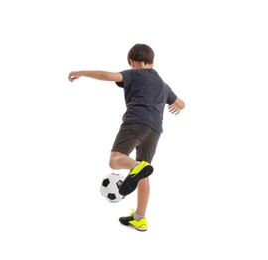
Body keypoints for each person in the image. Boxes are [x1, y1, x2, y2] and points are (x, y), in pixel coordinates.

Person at [68, 43, 185, 231]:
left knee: (115, 161)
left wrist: (80, 72)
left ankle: (137, 167)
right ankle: (139, 218)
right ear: (152, 63)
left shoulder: (135, 73)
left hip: (135, 122)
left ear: (132, 62)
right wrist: (177, 106)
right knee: (143, 172)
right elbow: (181, 103)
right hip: (155, 131)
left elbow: (108, 76)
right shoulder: (164, 86)